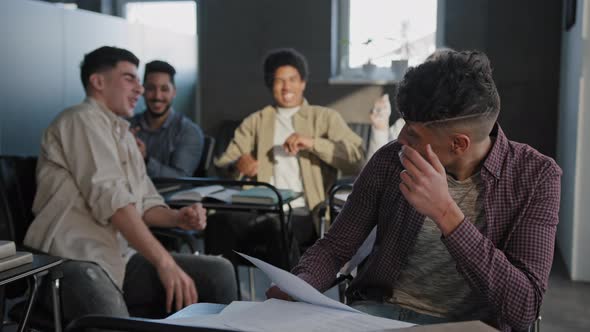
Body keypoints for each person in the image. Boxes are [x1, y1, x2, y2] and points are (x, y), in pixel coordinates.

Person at [268, 50, 562, 332]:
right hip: (379, 315)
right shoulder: (389, 160)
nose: (400, 138)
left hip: (470, 326)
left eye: (413, 133)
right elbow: (335, 248)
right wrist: (299, 286)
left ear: (459, 144)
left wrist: (446, 213)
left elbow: (523, 308)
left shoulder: (536, 177)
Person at [24, 46, 237, 322]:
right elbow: (116, 204)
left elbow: (145, 203)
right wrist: (164, 261)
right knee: (117, 321)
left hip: (118, 258)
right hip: (71, 258)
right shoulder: (80, 120)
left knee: (218, 272)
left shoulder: (123, 133)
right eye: (130, 78)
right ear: (98, 82)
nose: (140, 89)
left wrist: (177, 217)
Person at [214, 48, 364, 251]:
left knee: (277, 228)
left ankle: (284, 284)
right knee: (219, 222)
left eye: (292, 79)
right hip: (262, 207)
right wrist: (238, 164)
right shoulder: (256, 121)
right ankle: (224, 281)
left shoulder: (324, 117)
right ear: (271, 85)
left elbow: (356, 157)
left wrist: (313, 143)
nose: (286, 87)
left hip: (305, 210)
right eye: (279, 80)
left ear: (303, 83)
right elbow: (224, 162)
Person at [128, 60, 204, 178]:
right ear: (142, 91)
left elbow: (181, 180)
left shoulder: (189, 131)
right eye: (151, 88)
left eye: (164, 89)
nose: (157, 96)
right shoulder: (127, 125)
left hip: (168, 195)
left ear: (174, 92)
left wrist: (145, 160)